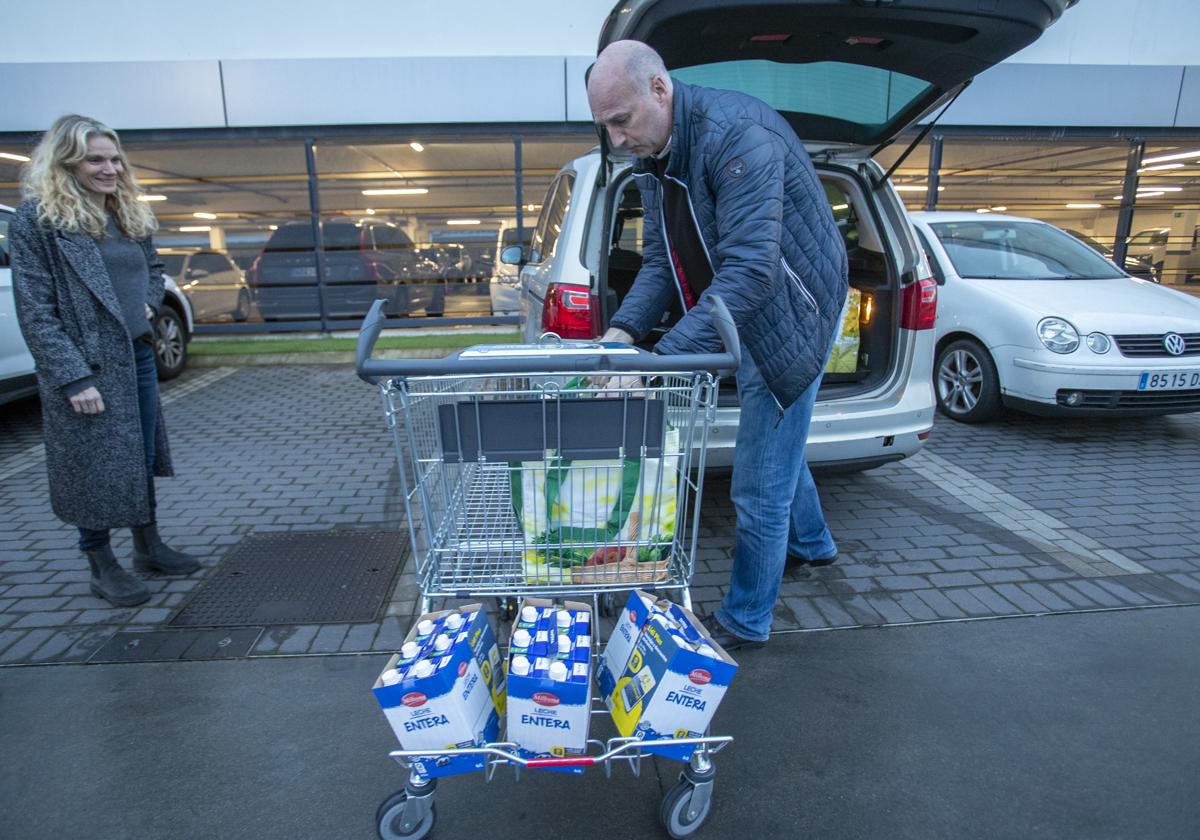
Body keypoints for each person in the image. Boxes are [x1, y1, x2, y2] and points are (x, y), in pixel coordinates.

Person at [588, 42, 849, 651]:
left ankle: (746, 619)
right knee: (780, 444)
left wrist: (656, 365)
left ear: (659, 89)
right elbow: (660, 262)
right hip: (739, 311)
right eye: (605, 126)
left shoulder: (739, 136)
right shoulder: (657, 157)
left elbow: (752, 274)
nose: (617, 140)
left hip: (791, 312)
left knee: (758, 483)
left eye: (621, 121)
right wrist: (622, 335)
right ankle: (814, 545)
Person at [11, 114, 199, 608]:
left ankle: (148, 547)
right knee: (92, 468)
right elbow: (36, 309)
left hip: (134, 354)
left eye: (114, 158)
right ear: (66, 161)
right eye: (96, 159)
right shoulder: (39, 222)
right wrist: (73, 378)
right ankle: (101, 563)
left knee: (138, 455)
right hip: (87, 366)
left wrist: (148, 303)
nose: (110, 168)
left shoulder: (126, 214)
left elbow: (155, 272)